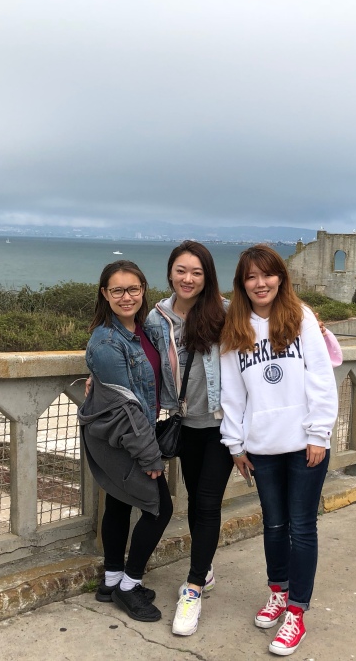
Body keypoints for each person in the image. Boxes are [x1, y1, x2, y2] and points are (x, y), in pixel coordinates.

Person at [219, 244, 339, 657]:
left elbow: (322, 379)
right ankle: (278, 591)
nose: (260, 283)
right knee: (273, 524)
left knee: (302, 526)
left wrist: (319, 433)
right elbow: (232, 394)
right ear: (242, 284)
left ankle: (297, 612)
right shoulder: (235, 328)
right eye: (251, 277)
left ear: (280, 277)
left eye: (266, 274)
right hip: (263, 446)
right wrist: (235, 443)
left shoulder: (300, 317)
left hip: (305, 443)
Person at [144, 241, 233, 636]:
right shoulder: (156, 317)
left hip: (220, 424)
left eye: (196, 272)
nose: (188, 278)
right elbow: (137, 355)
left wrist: (310, 321)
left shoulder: (226, 313)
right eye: (181, 270)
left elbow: (270, 326)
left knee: (208, 502)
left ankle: (193, 587)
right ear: (170, 273)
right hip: (182, 424)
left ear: (207, 276)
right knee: (196, 500)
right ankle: (206, 567)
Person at [79, 260, 172, 623]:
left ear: (144, 288)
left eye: (133, 288)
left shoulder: (144, 329)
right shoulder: (105, 341)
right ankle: (129, 586)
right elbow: (127, 408)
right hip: (125, 438)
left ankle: (111, 579)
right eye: (117, 290)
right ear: (104, 294)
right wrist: (150, 457)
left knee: (118, 505)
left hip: (125, 434)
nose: (126, 296)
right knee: (159, 509)